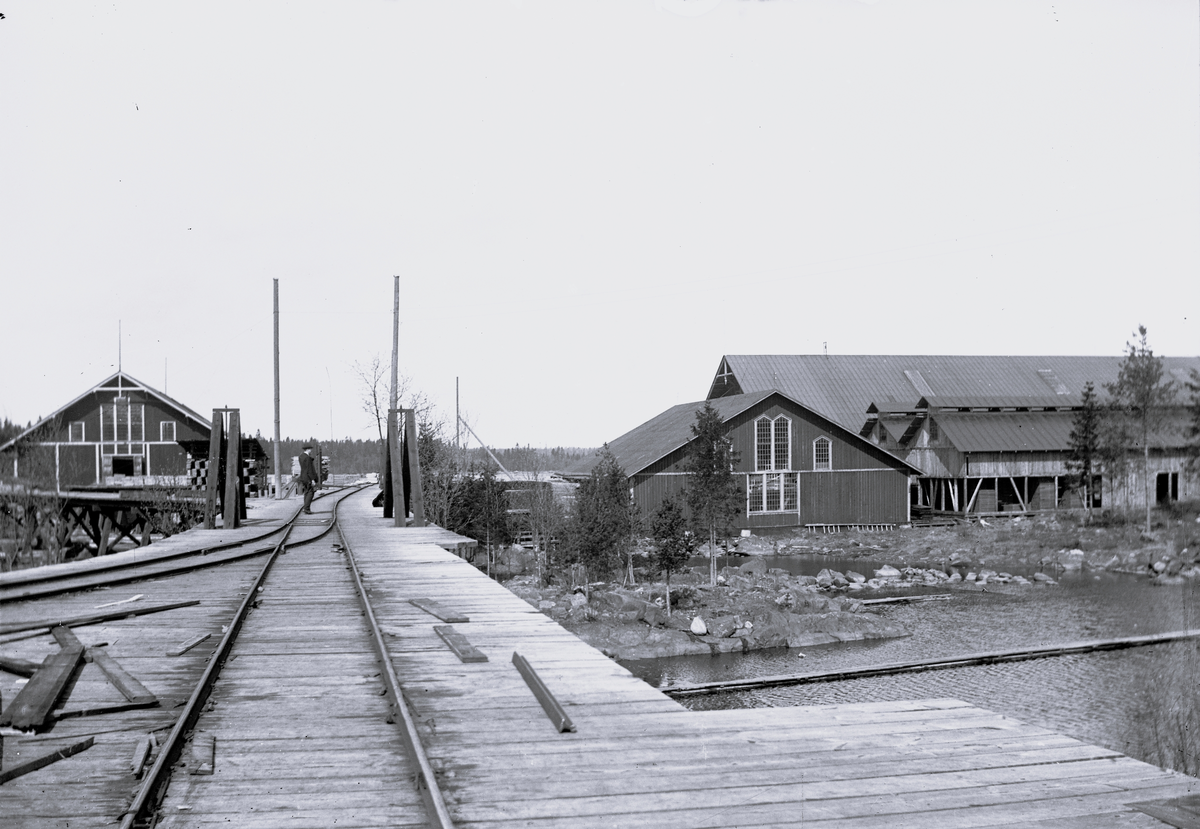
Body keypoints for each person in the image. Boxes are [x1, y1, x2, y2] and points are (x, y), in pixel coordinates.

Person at [298, 446, 318, 514]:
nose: (311, 451)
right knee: (310, 492)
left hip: (303, 477)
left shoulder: (301, 457)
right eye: (310, 449)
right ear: (308, 449)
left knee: (306, 492)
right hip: (308, 478)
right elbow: (309, 469)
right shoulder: (308, 458)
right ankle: (306, 508)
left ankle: (305, 508)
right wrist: (312, 479)